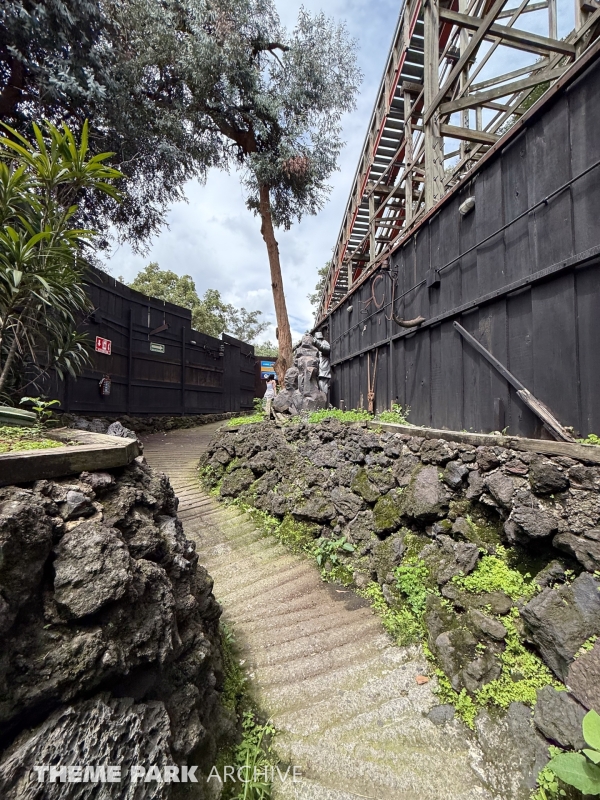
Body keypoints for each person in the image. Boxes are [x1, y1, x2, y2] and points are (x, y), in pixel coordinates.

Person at [313, 332, 331, 396]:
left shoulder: (324, 342)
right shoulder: (315, 346)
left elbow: (327, 349)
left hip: (323, 367)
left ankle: (324, 398)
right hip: (318, 369)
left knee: (322, 383)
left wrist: (318, 344)